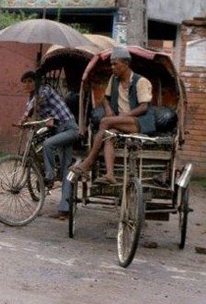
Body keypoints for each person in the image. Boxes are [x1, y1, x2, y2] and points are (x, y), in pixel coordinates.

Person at [72, 46, 155, 185]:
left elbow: (144, 107)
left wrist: (124, 115)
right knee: (108, 135)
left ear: (126, 64)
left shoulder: (141, 81)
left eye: (115, 64)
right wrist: (109, 109)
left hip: (140, 121)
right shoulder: (114, 79)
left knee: (105, 122)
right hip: (121, 121)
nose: (112, 67)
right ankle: (110, 174)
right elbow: (105, 98)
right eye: (111, 64)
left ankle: (88, 162)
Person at [19, 70, 78, 220]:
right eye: (25, 82)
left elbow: (35, 103)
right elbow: (32, 108)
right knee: (65, 170)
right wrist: (24, 122)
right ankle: (64, 209)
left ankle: (50, 175)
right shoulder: (31, 97)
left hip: (69, 129)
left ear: (36, 82)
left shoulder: (45, 90)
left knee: (48, 145)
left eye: (30, 81)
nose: (27, 85)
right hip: (58, 131)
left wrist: (25, 117)